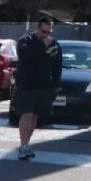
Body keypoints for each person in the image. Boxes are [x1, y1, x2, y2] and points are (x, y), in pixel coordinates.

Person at [15, 17, 62, 160]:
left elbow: (57, 64)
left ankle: (26, 144)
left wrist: (55, 84)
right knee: (27, 114)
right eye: (43, 31)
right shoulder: (25, 41)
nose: (46, 35)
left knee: (35, 116)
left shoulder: (53, 44)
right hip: (26, 85)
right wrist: (42, 45)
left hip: (44, 86)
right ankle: (23, 145)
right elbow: (25, 56)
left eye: (49, 32)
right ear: (37, 28)